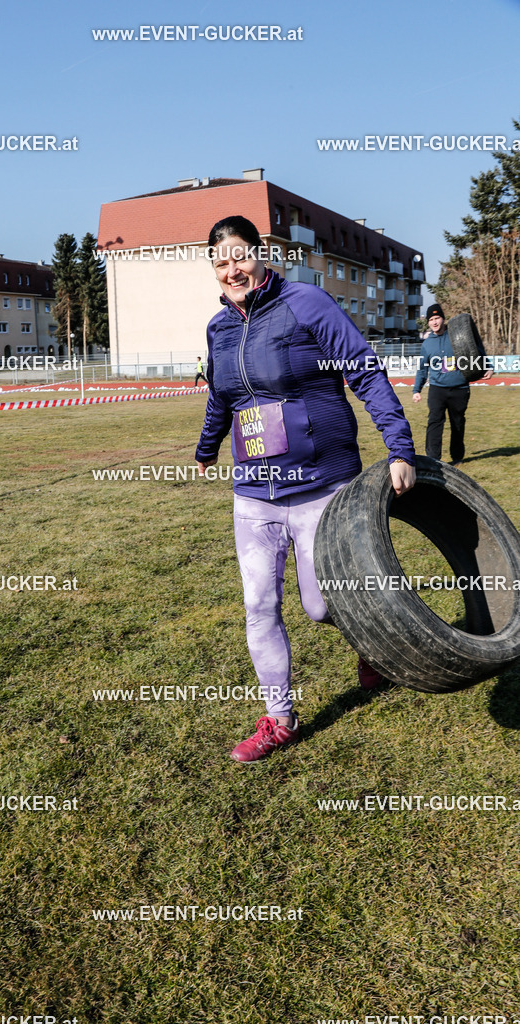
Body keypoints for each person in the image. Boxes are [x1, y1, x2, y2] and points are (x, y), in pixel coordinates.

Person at [194, 215, 417, 762]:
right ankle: (280, 718)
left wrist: (399, 446)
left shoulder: (307, 303)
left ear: (262, 253)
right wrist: (205, 449)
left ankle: (370, 646)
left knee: (320, 606)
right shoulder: (218, 328)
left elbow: (363, 370)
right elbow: (223, 398)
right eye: (220, 261)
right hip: (254, 489)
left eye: (240, 255)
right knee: (259, 604)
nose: (232, 269)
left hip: (321, 481)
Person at [412, 303, 491, 466]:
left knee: (457, 422)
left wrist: (487, 366)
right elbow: (422, 369)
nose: (434, 322)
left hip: (459, 388)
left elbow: (477, 349)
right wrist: (416, 390)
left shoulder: (457, 336)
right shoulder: (427, 344)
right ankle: (433, 458)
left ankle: (457, 457)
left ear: (443, 318)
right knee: (434, 422)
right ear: (428, 322)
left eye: (437, 318)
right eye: (431, 319)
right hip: (437, 390)